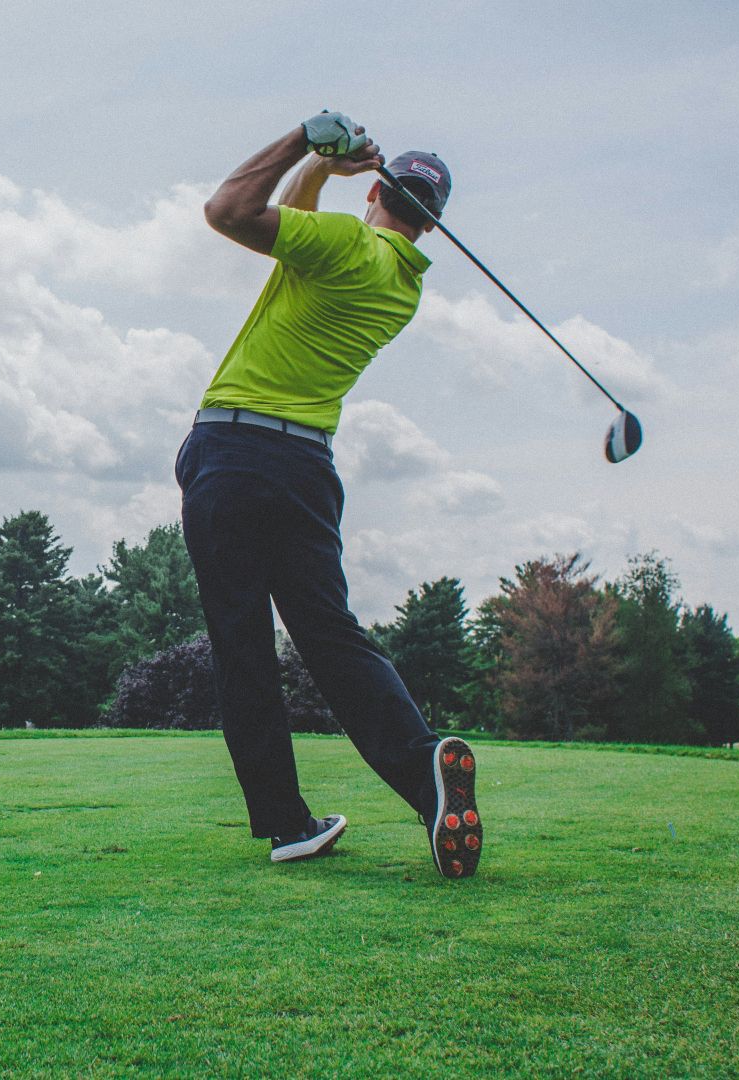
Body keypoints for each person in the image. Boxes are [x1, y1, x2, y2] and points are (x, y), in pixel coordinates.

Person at [178, 110, 481, 878]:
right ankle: (424, 776)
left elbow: (230, 211)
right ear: (433, 227)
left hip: (235, 453)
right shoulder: (399, 280)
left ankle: (287, 823)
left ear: (377, 191)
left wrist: (298, 140)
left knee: (243, 644)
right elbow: (298, 225)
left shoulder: (346, 245)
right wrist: (322, 170)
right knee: (332, 637)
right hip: (307, 469)